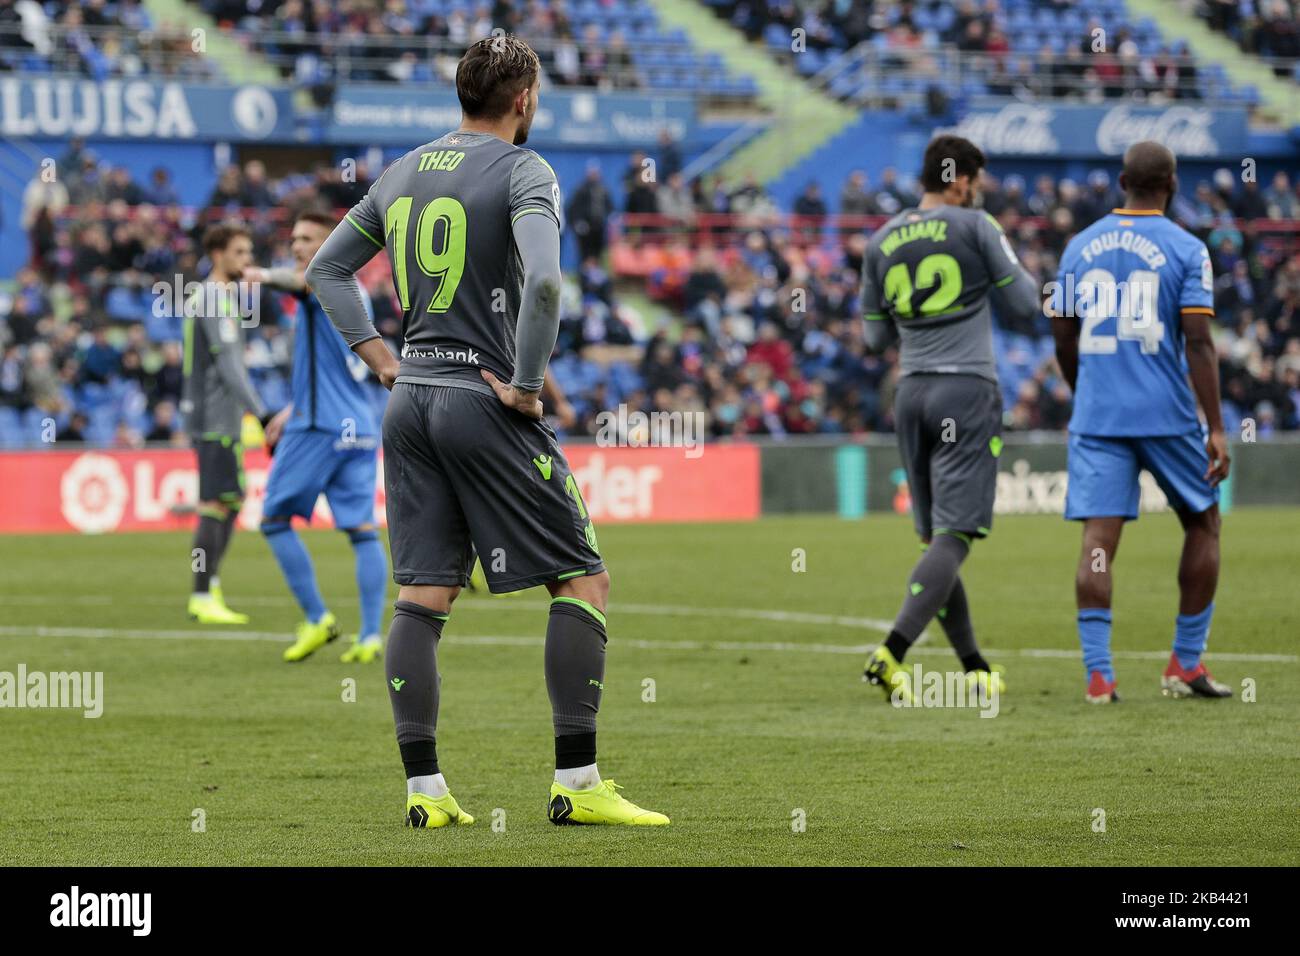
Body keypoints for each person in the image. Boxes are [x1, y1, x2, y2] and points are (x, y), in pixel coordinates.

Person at [305, 36, 668, 829]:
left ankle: (425, 794)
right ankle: (577, 780)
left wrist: (378, 357)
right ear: (525, 97)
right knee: (583, 579)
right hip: (482, 397)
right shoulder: (524, 170)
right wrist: (529, 385)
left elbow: (326, 271)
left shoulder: (400, 172)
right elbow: (544, 280)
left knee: (423, 595)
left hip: (412, 400)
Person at [858, 134, 1041, 702]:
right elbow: (1026, 304)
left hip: (911, 391)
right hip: (965, 389)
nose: (979, 193)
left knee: (939, 538)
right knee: (956, 536)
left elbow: (872, 337)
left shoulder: (881, 240)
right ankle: (892, 651)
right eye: (977, 183)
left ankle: (974, 665)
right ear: (959, 179)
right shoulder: (977, 228)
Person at [1051, 140, 1232, 703]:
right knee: (1202, 523)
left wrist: (1087, 391)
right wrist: (1218, 428)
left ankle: (1099, 676)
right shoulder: (1187, 248)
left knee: (1098, 544)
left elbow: (1061, 331)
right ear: (1172, 184)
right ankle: (1184, 663)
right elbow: (1199, 344)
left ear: (1121, 179)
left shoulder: (1076, 247)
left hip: (1100, 416)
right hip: (1166, 415)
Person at [243, 211, 389, 665]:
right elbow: (333, 365)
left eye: (307, 238)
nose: (296, 245)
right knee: (363, 532)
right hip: (360, 426)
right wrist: (291, 408)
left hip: (321, 426)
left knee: (272, 520)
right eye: (294, 238)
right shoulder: (356, 291)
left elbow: (301, 282)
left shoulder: (323, 280)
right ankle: (369, 636)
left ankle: (317, 618)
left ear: (333, 244)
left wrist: (260, 275)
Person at [181, 224, 267, 625]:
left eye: (249, 252)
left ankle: (209, 587)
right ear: (217, 254)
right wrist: (262, 413)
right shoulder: (214, 298)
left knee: (230, 501)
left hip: (217, 417)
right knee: (216, 504)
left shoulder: (214, 296)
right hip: (215, 419)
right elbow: (231, 369)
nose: (247, 260)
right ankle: (202, 593)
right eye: (239, 252)